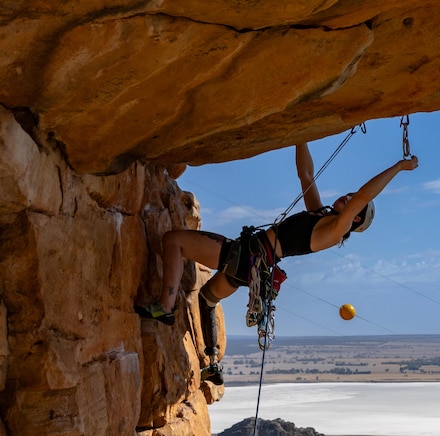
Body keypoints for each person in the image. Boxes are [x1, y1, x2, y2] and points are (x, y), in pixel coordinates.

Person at [135, 143, 419, 382]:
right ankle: (211, 362)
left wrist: (398, 167)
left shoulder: (334, 231)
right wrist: (302, 135)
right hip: (251, 265)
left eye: (352, 202)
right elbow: (306, 175)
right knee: (207, 298)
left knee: (174, 240)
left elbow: (363, 196)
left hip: (245, 256)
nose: (347, 197)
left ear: (355, 219)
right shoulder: (319, 216)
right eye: (348, 196)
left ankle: (165, 308)